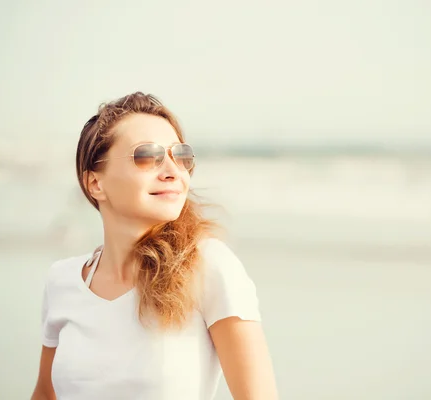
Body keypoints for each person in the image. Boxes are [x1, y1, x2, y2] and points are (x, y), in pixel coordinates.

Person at [30, 92, 279, 400]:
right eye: (147, 155)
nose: (174, 171)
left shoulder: (208, 267)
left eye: (181, 156)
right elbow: (44, 394)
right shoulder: (63, 280)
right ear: (96, 183)